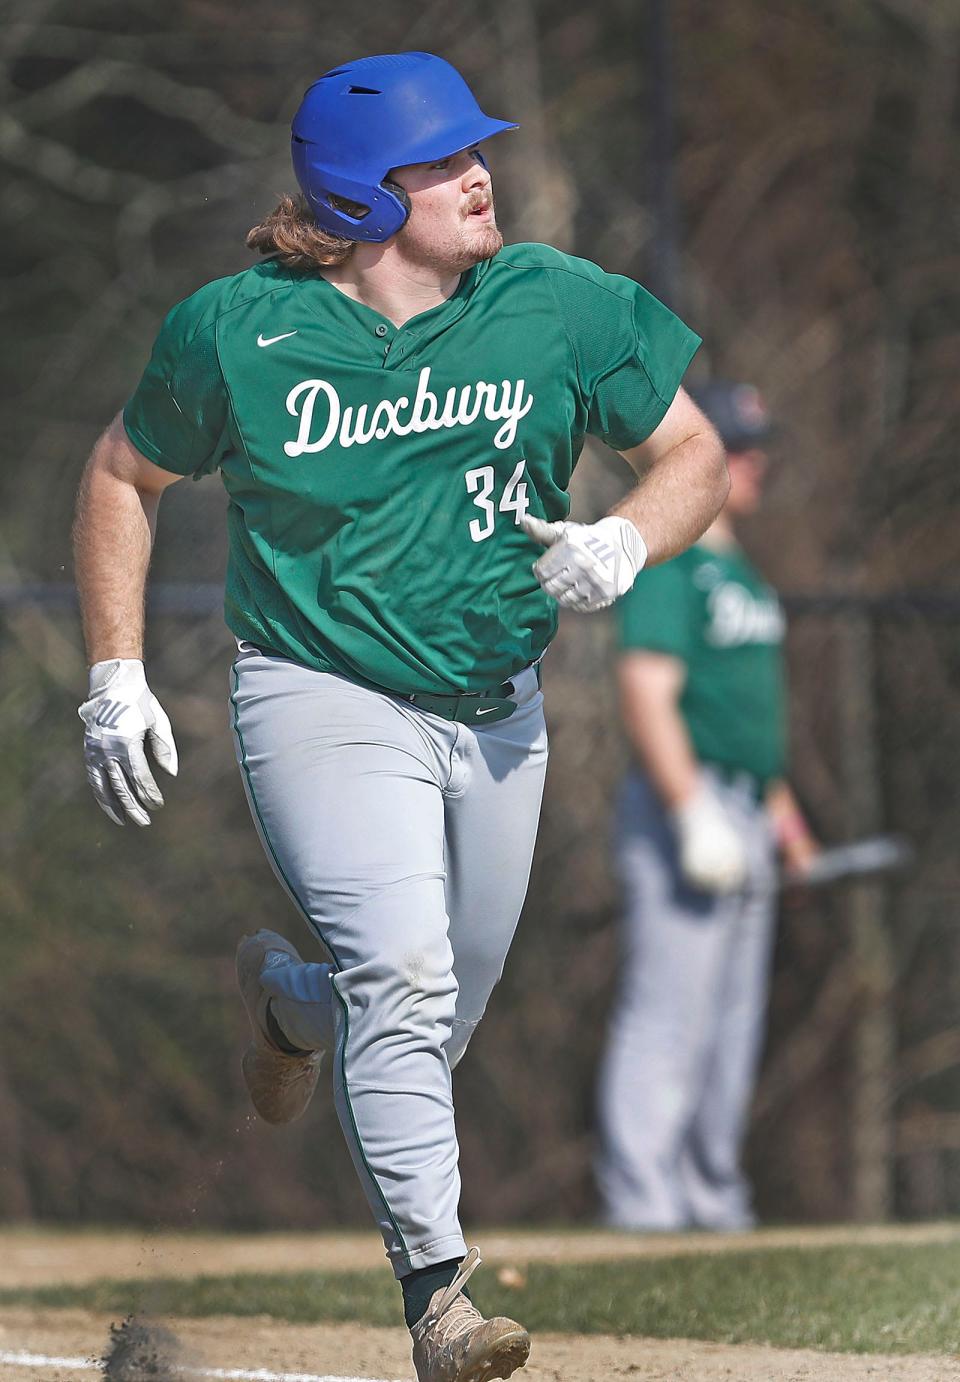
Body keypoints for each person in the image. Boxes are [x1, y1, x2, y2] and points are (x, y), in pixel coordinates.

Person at [73, 52, 728, 1382]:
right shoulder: (239, 330)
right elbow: (120, 470)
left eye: (473, 152)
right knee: (410, 982)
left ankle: (290, 1007)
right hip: (318, 688)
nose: (479, 174)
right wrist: (115, 669)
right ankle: (440, 1302)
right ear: (366, 196)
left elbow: (694, 455)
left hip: (494, 709)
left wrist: (627, 540)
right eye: (441, 162)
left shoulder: (554, 303)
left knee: (432, 1005)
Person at [595, 380, 819, 1234]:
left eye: (761, 446)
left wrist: (787, 831)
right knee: (667, 1014)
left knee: (731, 1025)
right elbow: (646, 692)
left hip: (748, 810)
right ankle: (644, 1208)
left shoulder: (744, 574)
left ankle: (711, 1203)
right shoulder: (675, 561)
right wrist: (692, 812)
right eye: (739, 444)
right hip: (681, 807)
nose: (755, 462)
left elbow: (757, 735)